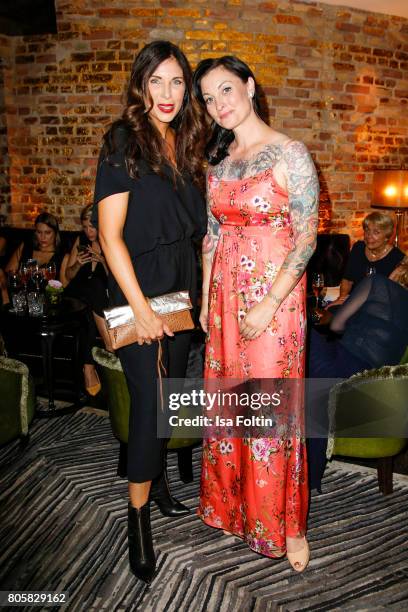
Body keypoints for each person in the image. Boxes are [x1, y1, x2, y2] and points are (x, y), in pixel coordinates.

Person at [193, 56, 319, 571]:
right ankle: (234, 509)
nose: (218, 104)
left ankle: (288, 527)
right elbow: (212, 239)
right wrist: (205, 302)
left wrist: (268, 304)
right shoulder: (218, 166)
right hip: (224, 301)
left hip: (276, 300)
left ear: (248, 86)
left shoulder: (290, 153)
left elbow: (307, 237)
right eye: (208, 97)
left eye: (226, 90)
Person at [93, 41, 206, 582]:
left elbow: (194, 232)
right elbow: (110, 237)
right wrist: (139, 312)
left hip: (181, 297)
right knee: (149, 407)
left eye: (177, 82)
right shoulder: (123, 141)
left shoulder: (185, 147)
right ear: (140, 85)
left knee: (172, 398)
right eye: (156, 81)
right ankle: (136, 519)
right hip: (140, 294)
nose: (167, 93)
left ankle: (157, 482)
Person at [308, 271, 408, 491]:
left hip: (343, 365)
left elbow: (336, 326)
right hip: (372, 385)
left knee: (301, 327)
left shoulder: (377, 282)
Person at [61, 204, 109, 395]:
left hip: (95, 298)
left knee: (95, 288)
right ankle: (107, 344)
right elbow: (69, 275)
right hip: (77, 292)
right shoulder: (80, 240)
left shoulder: (110, 241)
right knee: (92, 290)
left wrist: (102, 260)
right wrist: (78, 264)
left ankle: (87, 367)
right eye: (85, 227)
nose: (88, 232)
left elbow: (114, 278)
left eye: (92, 226)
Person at [328, 211, 406, 308]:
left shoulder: (397, 258)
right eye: (367, 230)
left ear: (387, 237)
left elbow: (392, 295)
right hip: (352, 301)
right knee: (331, 312)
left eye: (376, 232)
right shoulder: (358, 248)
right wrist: (342, 298)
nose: (369, 236)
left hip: (379, 306)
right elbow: (347, 280)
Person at [1, 212, 64, 305]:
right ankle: (7, 307)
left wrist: (49, 279)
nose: (43, 237)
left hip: (45, 300)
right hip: (22, 296)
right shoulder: (26, 247)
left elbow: (63, 287)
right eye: (39, 232)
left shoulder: (61, 256)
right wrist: (24, 272)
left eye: (47, 232)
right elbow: (9, 273)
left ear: (55, 233)